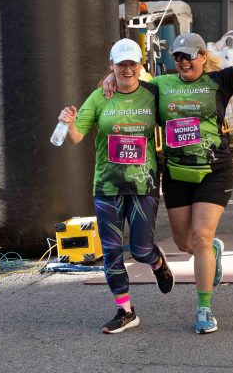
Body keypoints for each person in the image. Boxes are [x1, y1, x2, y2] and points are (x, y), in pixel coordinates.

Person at [105, 20, 233, 334]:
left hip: (214, 172)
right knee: (183, 242)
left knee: (200, 236)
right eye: (178, 57)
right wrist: (110, 76)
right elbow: (129, 80)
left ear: (203, 57)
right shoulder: (161, 85)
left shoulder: (220, 81)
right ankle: (213, 251)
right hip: (176, 173)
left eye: (190, 56)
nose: (183, 62)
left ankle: (204, 309)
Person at [57, 38, 174, 334]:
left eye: (132, 63)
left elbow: (177, 105)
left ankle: (157, 262)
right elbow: (77, 137)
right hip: (107, 185)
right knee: (111, 251)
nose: (127, 69)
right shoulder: (100, 96)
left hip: (143, 183)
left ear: (140, 65)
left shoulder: (152, 92)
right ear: (111, 65)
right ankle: (126, 311)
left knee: (141, 248)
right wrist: (68, 123)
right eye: (121, 64)